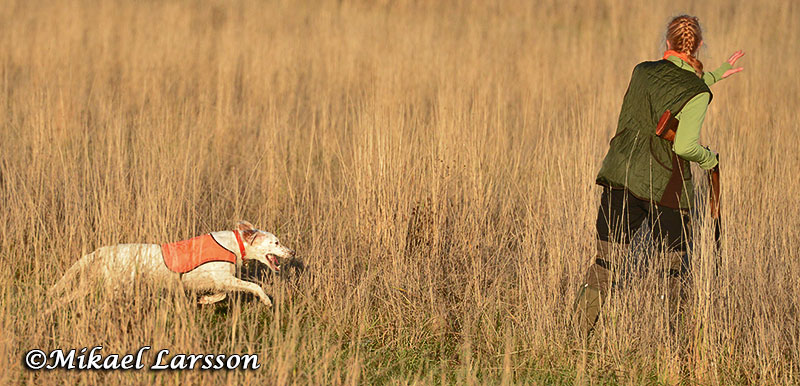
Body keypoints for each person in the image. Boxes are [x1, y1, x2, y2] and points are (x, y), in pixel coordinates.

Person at [573, 15, 744, 337]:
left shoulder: (642, 72)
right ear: (700, 45)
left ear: (667, 42)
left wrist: (715, 75)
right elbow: (685, 145)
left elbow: (670, 85)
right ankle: (673, 346)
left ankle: (575, 339)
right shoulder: (696, 93)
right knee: (673, 273)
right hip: (668, 189)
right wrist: (710, 160)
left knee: (603, 266)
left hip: (620, 176)